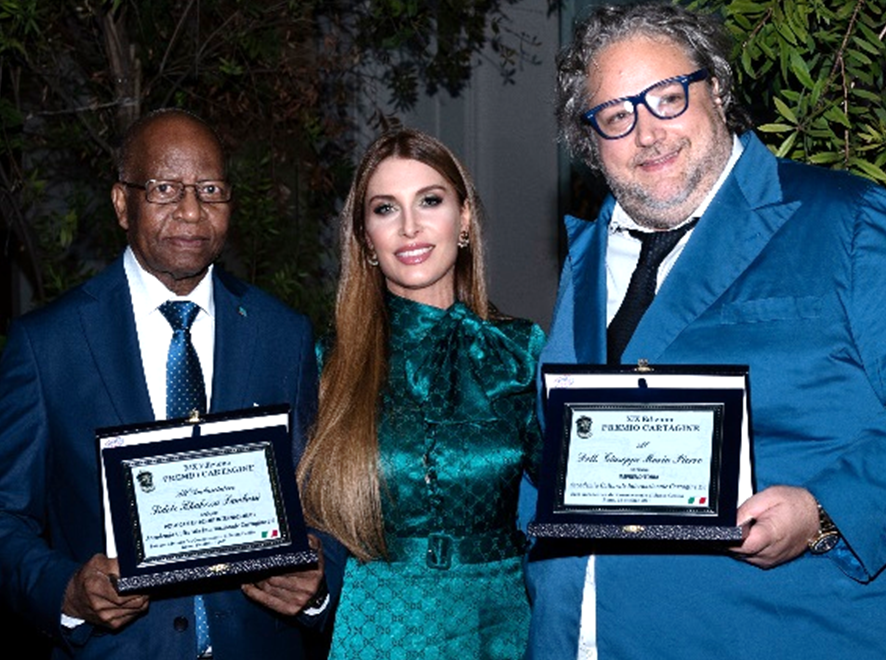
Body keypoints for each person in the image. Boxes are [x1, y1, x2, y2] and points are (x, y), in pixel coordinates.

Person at [522, 3, 886, 659]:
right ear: (590, 140)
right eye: (616, 115)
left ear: (715, 89)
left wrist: (825, 514)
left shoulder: (847, 221)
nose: (647, 133)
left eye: (667, 97)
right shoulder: (587, 258)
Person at [0, 108, 345, 659]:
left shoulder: (283, 334)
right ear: (122, 203)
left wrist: (317, 585)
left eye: (210, 190)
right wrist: (65, 590)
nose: (191, 211)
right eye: (165, 188)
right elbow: (6, 516)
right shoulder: (48, 346)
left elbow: (326, 502)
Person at [296, 128, 545, 659]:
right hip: (376, 629)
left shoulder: (520, 351)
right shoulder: (327, 364)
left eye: (429, 201)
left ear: (465, 219)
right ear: (366, 239)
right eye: (385, 209)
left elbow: (574, 494)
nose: (409, 227)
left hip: (501, 628)